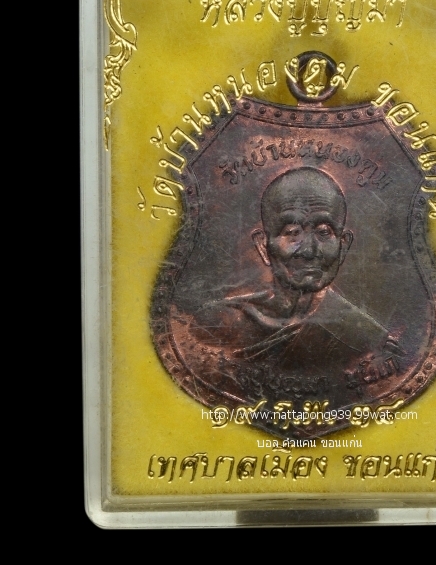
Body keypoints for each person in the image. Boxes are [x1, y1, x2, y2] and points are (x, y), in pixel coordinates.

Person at [170, 167, 405, 406]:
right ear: (263, 246)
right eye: (292, 232)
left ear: (343, 246)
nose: (309, 250)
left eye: (324, 232)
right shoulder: (221, 323)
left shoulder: (365, 338)